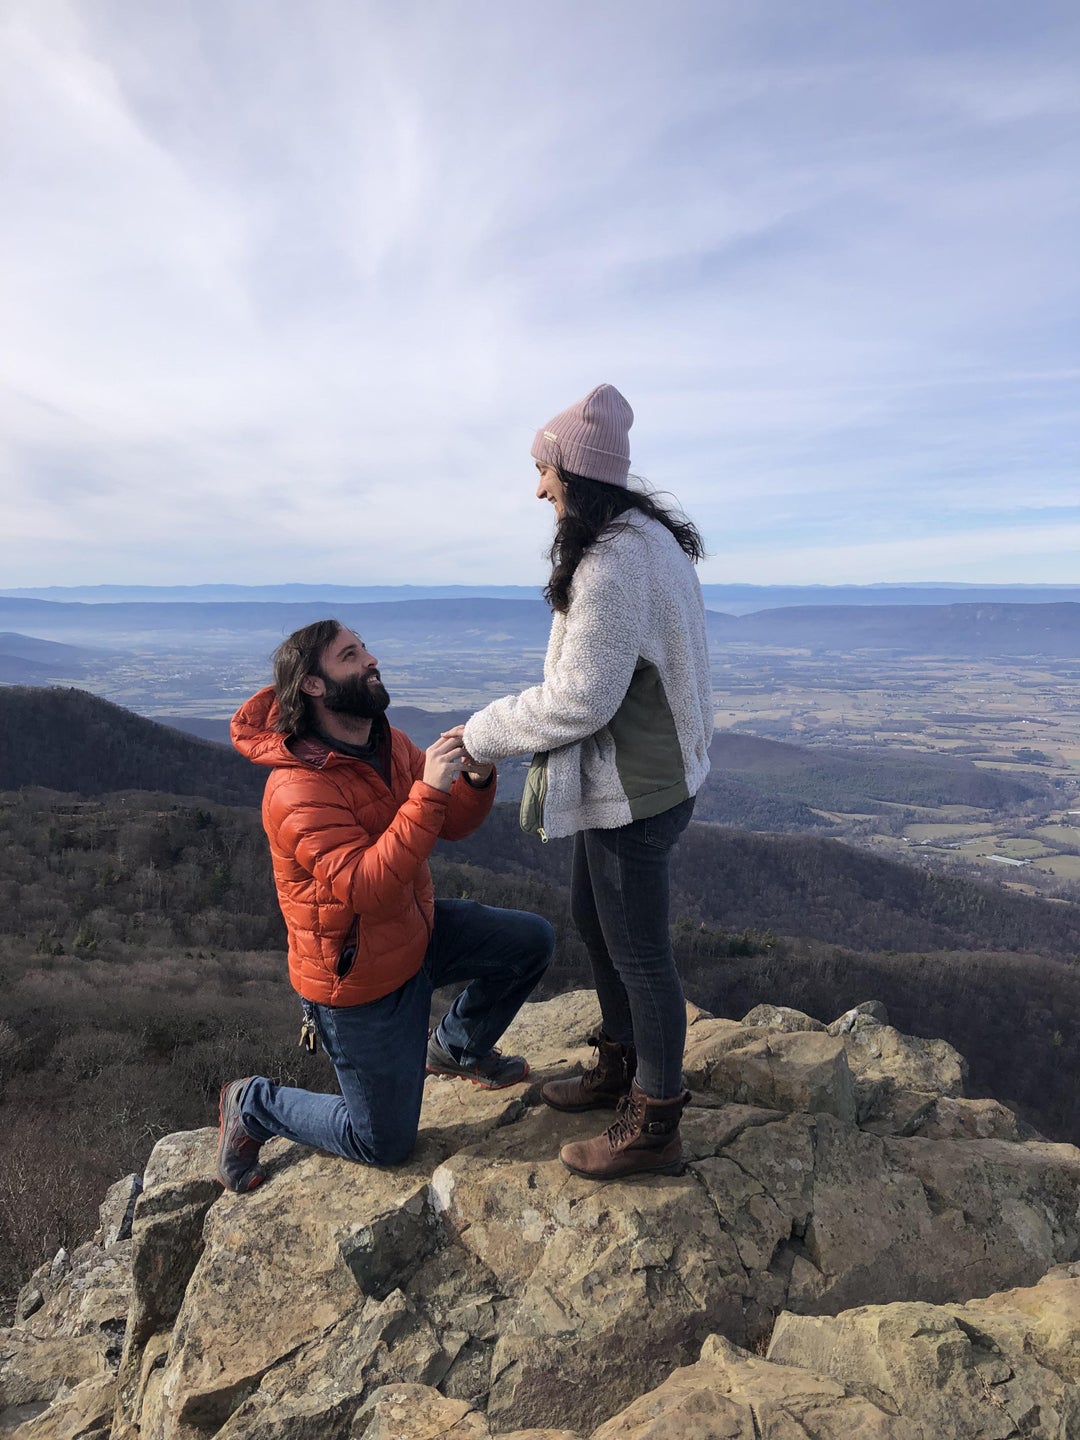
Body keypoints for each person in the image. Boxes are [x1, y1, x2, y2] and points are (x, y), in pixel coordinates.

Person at [462, 384, 712, 1181]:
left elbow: (582, 698)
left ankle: (655, 1121)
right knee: (590, 916)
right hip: (651, 773)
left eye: (545, 470)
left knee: (638, 950)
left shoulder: (611, 561)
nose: (539, 488)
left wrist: (480, 734)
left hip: (638, 789)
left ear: (578, 472)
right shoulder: (646, 537)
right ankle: (622, 1060)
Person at [217, 619, 554, 1193]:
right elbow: (365, 888)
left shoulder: (384, 741)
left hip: (413, 934)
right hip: (359, 984)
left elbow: (449, 826)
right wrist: (428, 789)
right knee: (383, 1144)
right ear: (315, 686)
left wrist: (472, 778)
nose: (371, 661)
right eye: (352, 656)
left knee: (532, 942)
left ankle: (456, 1047)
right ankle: (252, 1103)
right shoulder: (297, 789)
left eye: (365, 649)